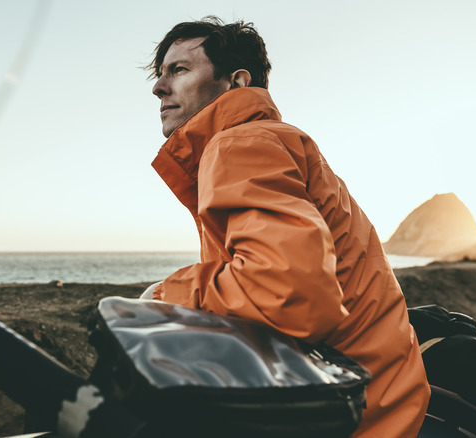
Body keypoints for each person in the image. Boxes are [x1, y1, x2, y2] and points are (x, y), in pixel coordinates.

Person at [145, 17, 430, 438]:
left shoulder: (240, 143)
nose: (159, 87)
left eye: (179, 70)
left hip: (358, 418)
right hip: (381, 394)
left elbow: (289, 289)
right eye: (160, 74)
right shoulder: (270, 140)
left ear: (236, 82)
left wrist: (164, 296)